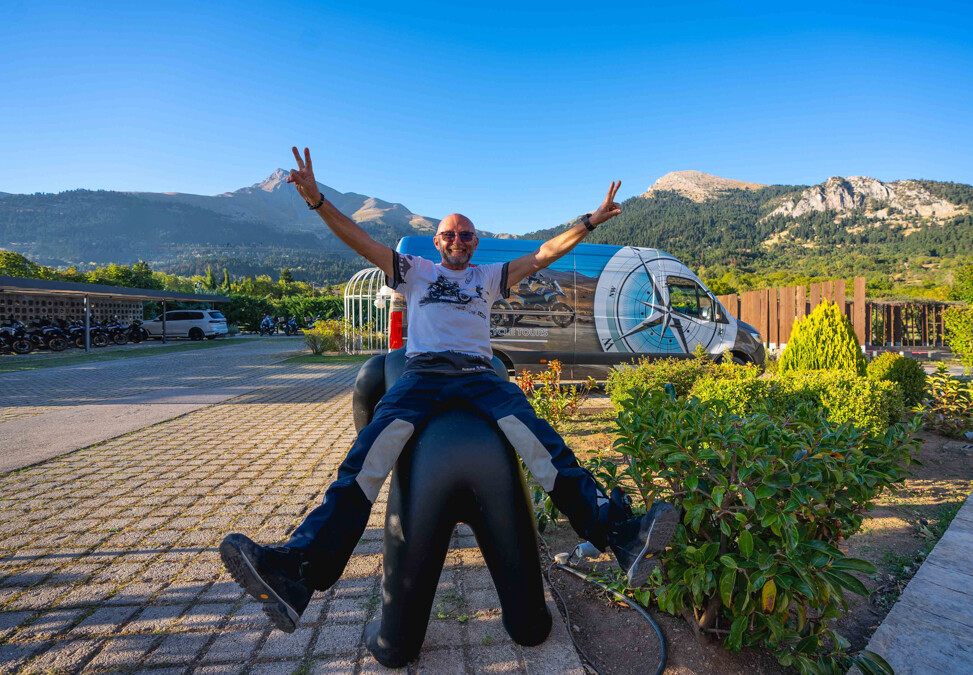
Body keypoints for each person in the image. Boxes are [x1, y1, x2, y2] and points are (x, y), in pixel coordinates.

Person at [220, 147, 680, 634]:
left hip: (481, 376)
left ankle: (620, 535)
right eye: (450, 234)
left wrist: (589, 222)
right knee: (364, 462)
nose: (458, 240)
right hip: (423, 376)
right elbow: (361, 240)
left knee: (546, 446)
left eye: (466, 234)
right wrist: (317, 201)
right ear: (437, 242)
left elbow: (545, 253)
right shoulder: (414, 270)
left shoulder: (489, 277)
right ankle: (297, 569)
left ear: (475, 243)